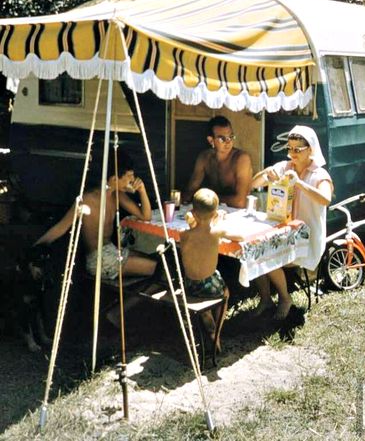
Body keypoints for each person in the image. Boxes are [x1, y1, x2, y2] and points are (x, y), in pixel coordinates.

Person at [251, 125, 333, 320]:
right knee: (253, 251)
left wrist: (299, 183)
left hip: (306, 238)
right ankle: (265, 299)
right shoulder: (285, 167)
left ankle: (284, 298)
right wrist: (266, 174)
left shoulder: (319, 175)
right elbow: (254, 184)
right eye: (289, 149)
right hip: (284, 232)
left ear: (310, 149)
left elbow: (325, 199)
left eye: (297, 149)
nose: (292, 154)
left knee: (265, 255)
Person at [35, 150, 157, 280]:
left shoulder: (117, 194)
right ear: (114, 179)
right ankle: (134, 300)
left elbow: (146, 216)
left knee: (156, 259)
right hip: (100, 260)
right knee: (156, 268)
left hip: (114, 251)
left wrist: (142, 190)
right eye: (129, 176)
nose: (133, 180)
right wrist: (34, 252)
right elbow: (60, 228)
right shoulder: (87, 200)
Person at [180, 188, 242, 352]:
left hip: (189, 284)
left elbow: (195, 229)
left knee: (204, 284)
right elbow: (240, 237)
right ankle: (217, 334)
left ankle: (206, 315)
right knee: (225, 293)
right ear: (215, 213)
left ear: (193, 212)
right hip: (209, 285)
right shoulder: (217, 231)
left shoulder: (184, 235)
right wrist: (218, 221)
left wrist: (194, 220)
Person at [182, 115, 253, 208]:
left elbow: (240, 202)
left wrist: (208, 199)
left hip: (236, 213)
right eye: (222, 139)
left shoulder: (241, 159)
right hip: (211, 210)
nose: (228, 142)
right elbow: (190, 191)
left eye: (230, 137)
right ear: (211, 140)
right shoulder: (205, 157)